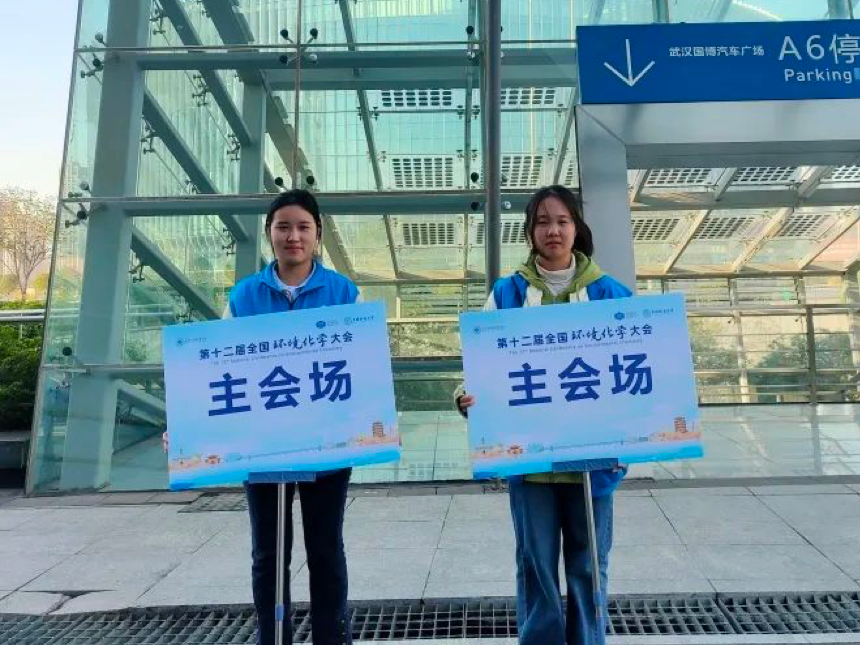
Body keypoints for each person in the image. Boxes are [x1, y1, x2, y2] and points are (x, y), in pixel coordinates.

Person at [456, 185, 631, 645]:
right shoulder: (507, 293)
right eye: (542, 222)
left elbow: (638, 366)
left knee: (588, 564)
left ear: (577, 228)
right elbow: (479, 365)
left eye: (562, 221)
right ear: (530, 231)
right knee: (535, 565)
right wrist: (466, 396)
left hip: (593, 461)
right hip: (529, 462)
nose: (553, 230)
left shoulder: (610, 294)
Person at [231, 189, 357, 645]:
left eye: (303, 227)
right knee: (267, 554)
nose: (293, 236)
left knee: (325, 550)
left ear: (318, 234)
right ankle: (273, 638)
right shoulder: (244, 296)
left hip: (328, 445)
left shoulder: (344, 293)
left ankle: (331, 639)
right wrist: (188, 427)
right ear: (269, 233)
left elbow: (363, 363)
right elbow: (218, 369)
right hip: (263, 447)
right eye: (283, 226)